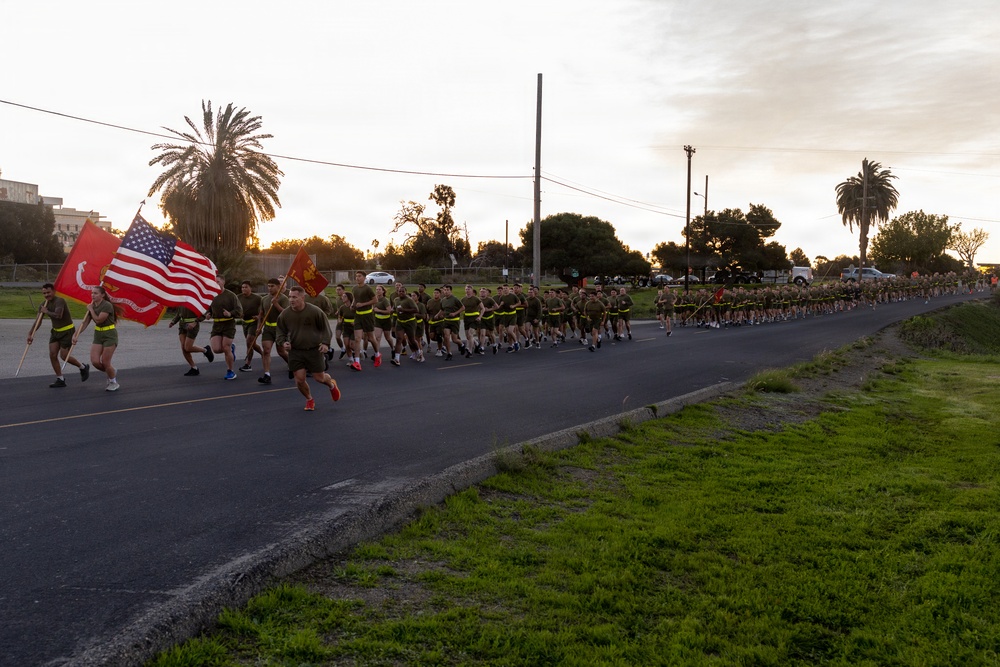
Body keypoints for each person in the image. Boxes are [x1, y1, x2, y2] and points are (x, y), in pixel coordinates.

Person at [276, 286, 341, 411]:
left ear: (302, 297)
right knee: (299, 379)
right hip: (295, 351)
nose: (291, 300)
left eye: (294, 297)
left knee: (319, 378)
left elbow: (326, 329)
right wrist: (283, 342)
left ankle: (331, 385)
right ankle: (309, 399)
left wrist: (325, 344)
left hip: (314, 350)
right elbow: (280, 332)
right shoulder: (285, 314)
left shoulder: (315, 312)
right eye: (290, 297)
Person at [29, 283, 89, 388]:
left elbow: (58, 315)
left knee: (64, 356)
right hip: (55, 332)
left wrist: (46, 311)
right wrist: (31, 333)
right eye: (44, 293)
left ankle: (83, 367)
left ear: (54, 291)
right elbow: (38, 321)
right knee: (52, 355)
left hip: (67, 331)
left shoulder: (60, 301)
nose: (46, 295)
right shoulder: (43, 304)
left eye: (48, 292)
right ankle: (60, 379)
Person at [73, 285, 119, 391]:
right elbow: (85, 323)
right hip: (98, 334)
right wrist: (75, 335)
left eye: (95, 293)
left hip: (109, 334)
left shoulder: (107, 305)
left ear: (102, 295)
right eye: (92, 293)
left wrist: (91, 309)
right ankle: (111, 371)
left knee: (106, 362)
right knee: (95, 362)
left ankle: (113, 382)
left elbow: (98, 320)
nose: (92, 295)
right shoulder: (92, 305)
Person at [207, 275, 243, 380]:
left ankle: (230, 371)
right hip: (216, 325)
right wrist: (208, 314)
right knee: (217, 349)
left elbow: (239, 311)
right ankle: (232, 348)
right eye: (214, 282)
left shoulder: (231, 295)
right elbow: (208, 308)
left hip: (228, 324)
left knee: (226, 347)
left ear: (223, 282)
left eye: (218, 281)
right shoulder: (211, 295)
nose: (216, 283)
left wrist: (230, 313)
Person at [257, 278, 290, 384]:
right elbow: (261, 314)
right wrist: (259, 327)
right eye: (269, 286)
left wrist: (276, 304)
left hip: (280, 329)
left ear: (278, 287)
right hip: (268, 328)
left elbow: (286, 314)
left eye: (272, 286)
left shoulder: (284, 299)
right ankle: (267, 375)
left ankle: (293, 365)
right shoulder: (264, 299)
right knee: (266, 351)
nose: (270, 288)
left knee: (281, 351)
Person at [168, 305, 213, 375]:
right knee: (183, 348)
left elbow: (204, 312)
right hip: (182, 325)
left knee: (188, 347)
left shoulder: (195, 300)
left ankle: (205, 350)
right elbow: (179, 313)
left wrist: (195, 322)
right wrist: (173, 322)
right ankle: (194, 368)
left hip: (192, 326)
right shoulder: (182, 300)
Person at [351, 270, 382, 370]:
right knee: (357, 339)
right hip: (358, 315)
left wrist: (363, 304)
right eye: (356, 276)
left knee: (371, 338)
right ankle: (357, 362)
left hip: (367, 315)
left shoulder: (367, 288)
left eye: (359, 276)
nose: (357, 278)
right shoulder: (354, 288)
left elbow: (375, 300)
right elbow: (355, 299)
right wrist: (353, 304)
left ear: (364, 278)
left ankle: (377, 354)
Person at [237, 280, 263, 371]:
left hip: (254, 323)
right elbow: (236, 309)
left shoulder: (257, 298)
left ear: (250, 288)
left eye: (246, 287)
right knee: (252, 344)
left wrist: (259, 317)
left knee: (249, 342)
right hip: (245, 323)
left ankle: (247, 364)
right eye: (242, 287)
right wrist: (239, 314)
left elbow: (263, 310)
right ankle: (263, 354)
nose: (244, 289)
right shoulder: (238, 297)